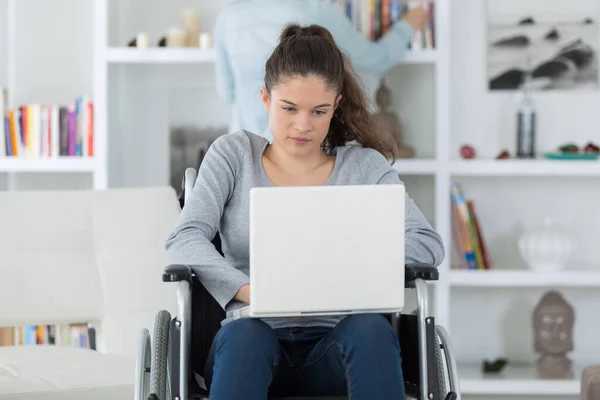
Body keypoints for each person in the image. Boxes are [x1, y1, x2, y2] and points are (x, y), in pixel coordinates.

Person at [165, 23, 444, 400]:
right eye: (289, 108)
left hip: (337, 347)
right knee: (246, 335)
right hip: (251, 337)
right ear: (265, 98)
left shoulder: (363, 167)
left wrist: (349, 271)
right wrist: (251, 290)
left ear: (337, 106)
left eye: (318, 111)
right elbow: (184, 238)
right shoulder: (233, 156)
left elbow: (426, 243)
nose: (302, 125)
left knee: (371, 329)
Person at [213, 0, 429, 142]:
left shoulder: (228, 16)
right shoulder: (315, 9)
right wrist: (407, 26)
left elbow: (227, 92)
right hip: (305, 153)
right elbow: (375, 58)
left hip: (245, 146)